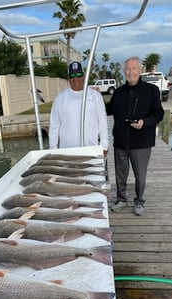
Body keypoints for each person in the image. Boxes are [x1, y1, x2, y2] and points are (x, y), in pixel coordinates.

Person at [106, 56, 164, 216]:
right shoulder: (118, 93)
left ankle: (139, 201)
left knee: (140, 176)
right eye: (128, 69)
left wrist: (144, 123)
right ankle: (121, 199)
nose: (130, 72)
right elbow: (108, 109)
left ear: (140, 71)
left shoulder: (151, 91)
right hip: (120, 142)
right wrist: (94, 98)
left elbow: (159, 114)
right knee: (120, 175)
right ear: (124, 72)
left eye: (133, 69)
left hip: (142, 143)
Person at [49, 61, 109, 157]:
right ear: (68, 78)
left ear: (84, 76)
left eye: (78, 74)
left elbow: (103, 122)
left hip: (92, 151)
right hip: (67, 153)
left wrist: (104, 146)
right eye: (72, 75)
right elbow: (54, 126)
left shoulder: (96, 96)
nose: (76, 78)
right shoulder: (60, 99)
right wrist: (53, 149)